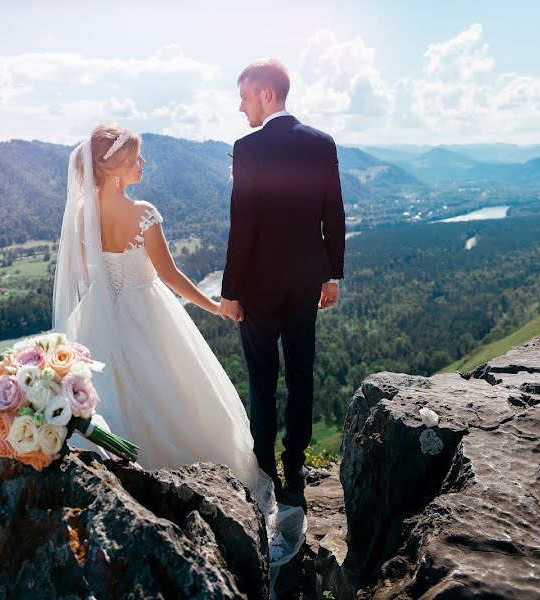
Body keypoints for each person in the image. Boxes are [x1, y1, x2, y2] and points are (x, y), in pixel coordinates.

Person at [53, 123, 305, 569]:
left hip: (99, 315)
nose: (142, 164)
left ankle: (126, 483)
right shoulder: (142, 212)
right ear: (114, 170)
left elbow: (81, 276)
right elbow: (169, 277)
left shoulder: (82, 214)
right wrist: (214, 306)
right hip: (149, 312)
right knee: (177, 390)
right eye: (135, 159)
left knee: (120, 396)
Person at [220, 59, 346, 508]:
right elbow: (333, 212)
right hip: (307, 279)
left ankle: (265, 470)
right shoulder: (322, 142)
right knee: (300, 373)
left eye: (245, 96)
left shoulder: (247, 147)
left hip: (257, 285)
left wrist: (230, 290)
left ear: (267, 94)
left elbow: (243, 225)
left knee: (262, 379)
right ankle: (295, 467)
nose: (241, 107)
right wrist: (331, 275)